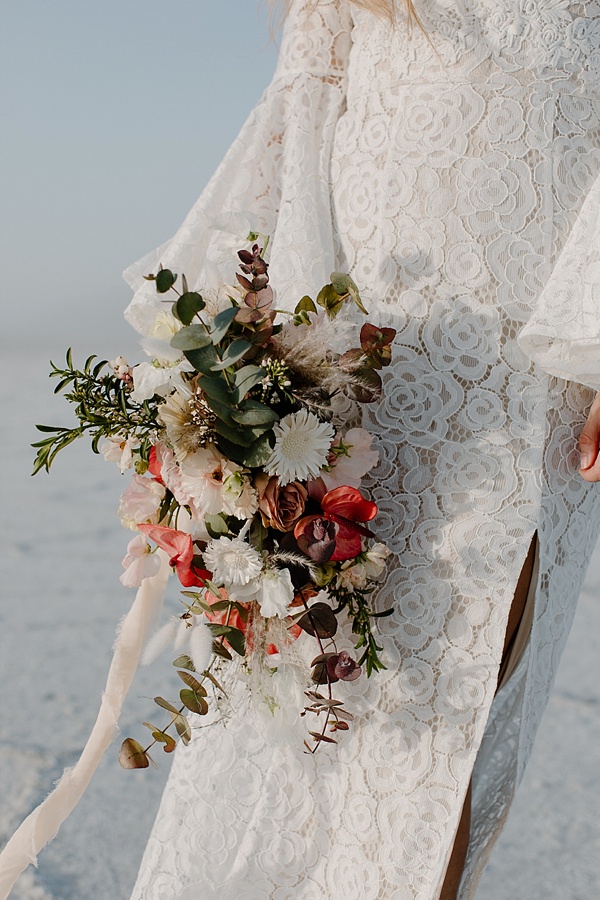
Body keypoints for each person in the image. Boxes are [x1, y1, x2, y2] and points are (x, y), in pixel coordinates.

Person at [123, 2, 600, 897]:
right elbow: (301, 129)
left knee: (433, 743)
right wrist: (257, 394)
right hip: (359, 375)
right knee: (303, 731)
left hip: (528, 364)